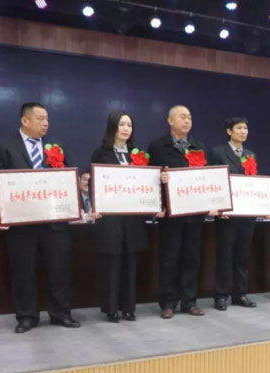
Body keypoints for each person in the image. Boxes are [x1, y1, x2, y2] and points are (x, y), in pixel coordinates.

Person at [0, 102, 80, 333]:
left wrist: (74, 204)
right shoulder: (4, 146)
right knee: (23, 271)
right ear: (25, 120)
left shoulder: (56, 146)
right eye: (40, 119)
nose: (46, 123)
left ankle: (61, 313)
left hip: (54, 222)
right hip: (22, 223)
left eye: (47, 118)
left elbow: (68, 179)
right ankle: (27, 316)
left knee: (59, 269)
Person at [90, 111, 161, 322]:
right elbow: (94, 182)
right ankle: (111, 309)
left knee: (131, 263)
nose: (126, 128)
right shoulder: (100, 153)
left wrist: (155, 202)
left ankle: (129, 308)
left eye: (129, 125)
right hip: (110, 218)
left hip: (133, 220)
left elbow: (148, 184)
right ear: (113, 127)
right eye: (122, 124)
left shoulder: (138, 154)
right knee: (112, 264)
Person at [148, 105, 215, 318]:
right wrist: (160, 179)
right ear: (170, 121)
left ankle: (189, 301)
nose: (187, 121)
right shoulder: (158, 146)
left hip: (194, 213)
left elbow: (206, 178)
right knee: (169, 259)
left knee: (191, 258)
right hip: (171, 214)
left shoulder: (199, 146)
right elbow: (149, 178)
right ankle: (168, 303)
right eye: (182, 117)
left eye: (190, 117)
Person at [208, 117, 259, 310]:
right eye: (239, 128)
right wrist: (218, 206)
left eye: (245, 128)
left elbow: (253, 183)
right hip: (227, 214)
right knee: (225, 256)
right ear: (229, 131)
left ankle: (240, 294)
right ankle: (221, 295)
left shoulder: (250, 154)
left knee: (243, 256)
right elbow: (213, 181)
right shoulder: (218, 152)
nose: (243, 131)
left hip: (246, 213)